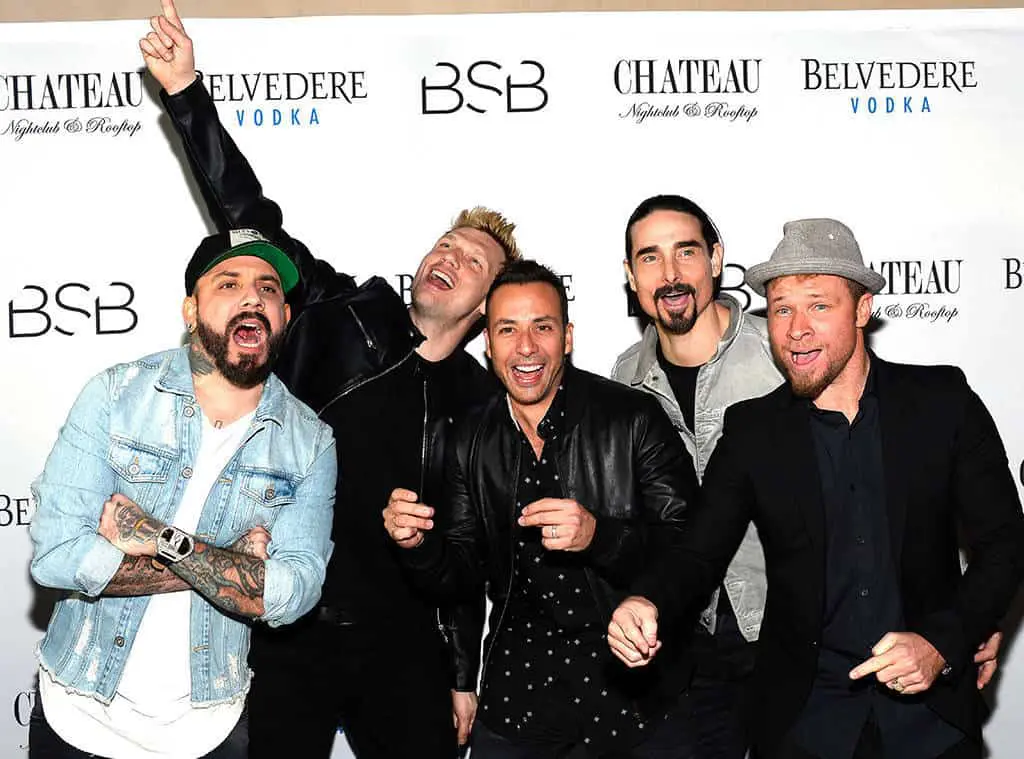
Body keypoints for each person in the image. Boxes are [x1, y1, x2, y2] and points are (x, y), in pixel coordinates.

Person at [138, 2, 519, 756]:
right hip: (287, 627)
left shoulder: (481, 401)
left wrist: (462, 673)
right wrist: (185, 93)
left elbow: (468, 558)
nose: (450, 256)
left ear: (483, 308)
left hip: (403, 647)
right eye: (447, 243)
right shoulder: (347, 312)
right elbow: (250, 217)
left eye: (474, 260)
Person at [607, 218, 1024, 759]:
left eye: (819, 306)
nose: (796, 329)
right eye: (782, 309)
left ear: (862, 309)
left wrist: (943, 643)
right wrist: (648, 599)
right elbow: (698, 552)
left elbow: (1005, 543)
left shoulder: (942, 401)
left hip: (932, 724)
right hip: (806, 723)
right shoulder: (753, 431)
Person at [28, 230, 336, 759]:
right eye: (229, 283)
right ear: (191, 310)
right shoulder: (116, 395)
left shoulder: (310, 442)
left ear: (285, 316)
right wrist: (232, 563)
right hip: (77, 716)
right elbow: (57, 555)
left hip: (207, 734)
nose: (252, 297)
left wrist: (155, 536)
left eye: (268, 289)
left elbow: (293, 593)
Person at [384, 259, 699, 758]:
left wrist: (599, 535)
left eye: (543, 327)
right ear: (489, 344)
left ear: (567, 338)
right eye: (508, 329)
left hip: (630, 689)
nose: (526, 347)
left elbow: (688, 550)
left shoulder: (632, 418)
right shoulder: (469, 438)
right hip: (519, 692)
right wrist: (418, 544)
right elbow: (459, 575)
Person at [611, 195, 781, 759]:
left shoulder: (781, 352)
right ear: (631, 275)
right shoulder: (625, 379)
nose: (670, 274)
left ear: (716, 258)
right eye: (650, 257)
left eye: (686, 252)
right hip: (687, 644)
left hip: (790, 629)